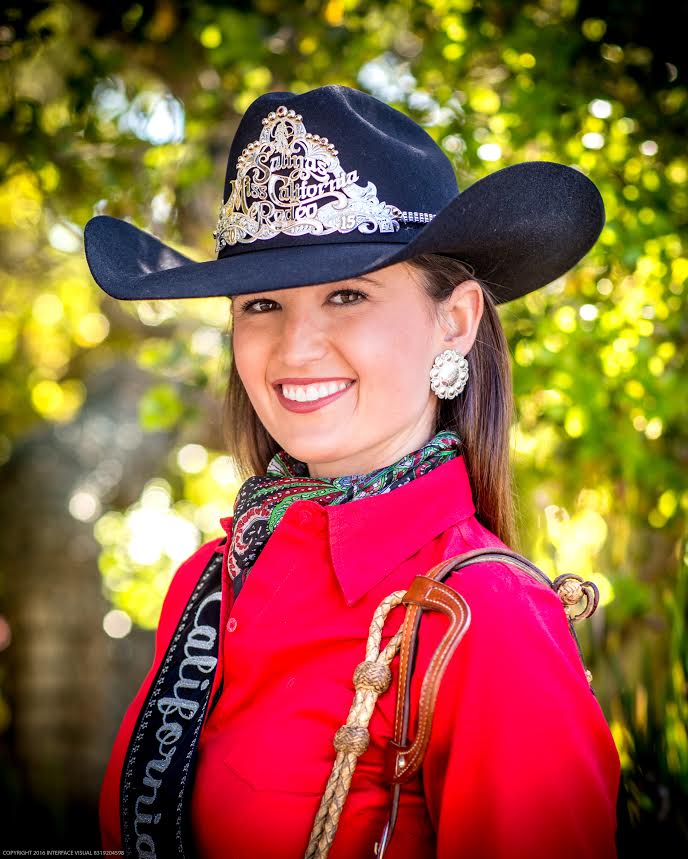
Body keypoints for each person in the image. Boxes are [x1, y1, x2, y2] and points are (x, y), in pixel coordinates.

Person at [84, 84, 621, 859]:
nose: (295, 349)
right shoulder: (208, 582)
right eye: (261, 304)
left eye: (347, 294)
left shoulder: (483, 618)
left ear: (456, 320)